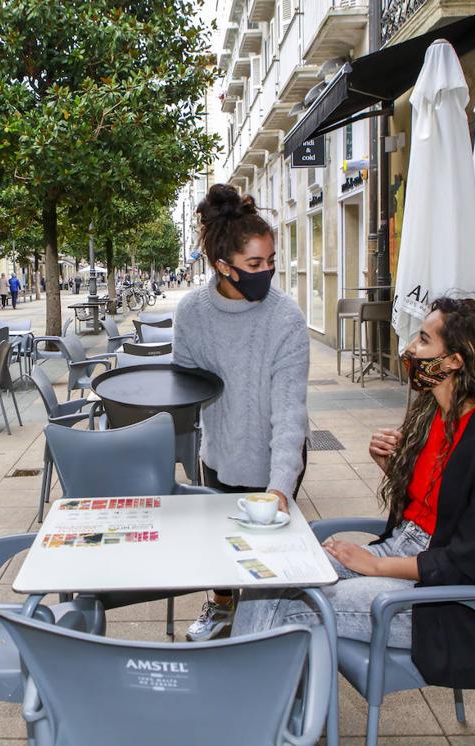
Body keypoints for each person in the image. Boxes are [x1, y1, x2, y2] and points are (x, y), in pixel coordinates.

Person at [233, 297, 475, 688]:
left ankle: (246, 709)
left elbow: (470, 560)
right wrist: (393, 469)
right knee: (272, 581)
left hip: (447, 600)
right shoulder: (434, 415)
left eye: (424, 340)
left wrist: (373, 565)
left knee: (302, 609)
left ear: (455, 361)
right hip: (406, 550)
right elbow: (432, 507)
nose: (410, 348)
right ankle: (255, 709)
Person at [173, 184, 309, 641]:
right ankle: (221, 608)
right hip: (219, 454)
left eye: (270, 261)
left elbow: (291, 412)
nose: (265, 272)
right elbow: (185, 389)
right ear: (222, 266)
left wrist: (279, 487)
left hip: (274, 458)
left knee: (266, 562)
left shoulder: (285, 317)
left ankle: (265, 634)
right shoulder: (191, 313)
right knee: (221, 554)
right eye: (254, 264)